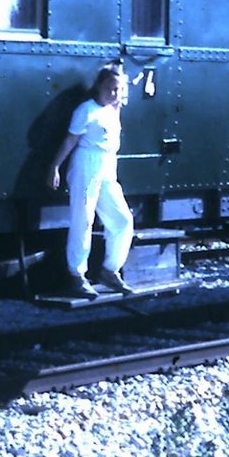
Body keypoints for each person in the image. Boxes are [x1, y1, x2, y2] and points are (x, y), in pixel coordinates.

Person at [50, 63, 135, 298]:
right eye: (110, 88)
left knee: (122, 220)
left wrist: (119, 96)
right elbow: (70, 141)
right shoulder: (86, 110)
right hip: (86, 164)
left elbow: (121, 99)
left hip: (108, 165)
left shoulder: (113, 108)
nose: (114, 93)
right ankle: (77, 275)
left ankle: (110, 271)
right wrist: (55, 167)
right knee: (83, 220)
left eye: (118, 89)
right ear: (99, 86)